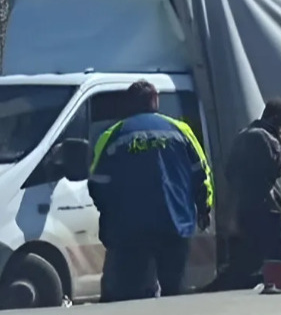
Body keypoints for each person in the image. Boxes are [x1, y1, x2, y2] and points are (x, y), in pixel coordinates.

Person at [88, 80, 213, 302]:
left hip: (131, 229)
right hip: (176, 223)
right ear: (155, 101)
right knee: (175, 290)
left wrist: (110, 215)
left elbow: (97, 184)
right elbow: (202, 175)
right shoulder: (181, 131)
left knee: (132, 295)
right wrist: (204, 207)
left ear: (129, 104)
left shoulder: (113, 135)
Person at [225, 98, 281, 266]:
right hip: (266, 206)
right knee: (276, 253)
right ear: (277, 119)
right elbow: (277, 169)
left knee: (249, 256)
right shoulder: (269, 139)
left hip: (243, 207)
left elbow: (229, 171)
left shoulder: (242, 135)